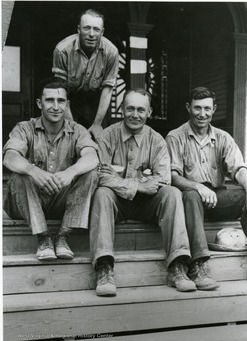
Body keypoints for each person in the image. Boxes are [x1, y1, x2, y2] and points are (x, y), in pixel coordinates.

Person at [89, 88, 200, 297]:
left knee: (172, 193)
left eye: (141, 110)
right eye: (130, 108)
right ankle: (104, 267)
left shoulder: (156, 140)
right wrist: (138, 185)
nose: (135, 114)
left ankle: (177, 266)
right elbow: (100, 176)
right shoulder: (106, 136)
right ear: (121, 109)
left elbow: (163, 178)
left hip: (147, 204)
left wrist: (122, 181)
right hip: (116, 203)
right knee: (102, 193)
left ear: (149, 112)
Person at [166, 86, 247, 286]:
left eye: (207, 108)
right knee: (190, 195)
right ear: (188, 107)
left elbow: (239, 169)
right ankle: (197, 265)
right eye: (197, 108)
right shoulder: (175, 136)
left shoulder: (223, 138)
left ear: (214, 109)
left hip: (217, 199)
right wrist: (198, 187)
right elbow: (172, 177)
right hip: (190, 203)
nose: (202, 114)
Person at [3, 78, 99, 261]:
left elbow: (92, 156)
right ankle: (44, 238)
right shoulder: (25, 128)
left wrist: (71, 172)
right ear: (40, 103)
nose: (55, 106)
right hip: (25, 202)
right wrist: (34, 171)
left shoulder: (77, 130)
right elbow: (10, 157)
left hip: (60, 202)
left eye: (61, 101)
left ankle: (63, 236)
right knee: (19, 177)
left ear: (67, 104)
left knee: (91, 174)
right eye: (49, 100)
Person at [52, 9, 119, 139]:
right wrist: (71, 125)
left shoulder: (112, 52)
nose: (92, 34)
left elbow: (108, 89)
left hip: (97, 101)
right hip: (70, 99)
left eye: (96, 29)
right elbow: (61, 90)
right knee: (69, 138)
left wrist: (97, 123)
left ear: (102, 32)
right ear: (79, 29)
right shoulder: (62, 50)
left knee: (98, 140)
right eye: (87, 28)